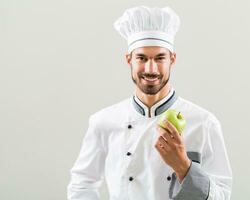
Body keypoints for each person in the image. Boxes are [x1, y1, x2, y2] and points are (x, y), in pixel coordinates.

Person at [67, 6, 232, 200]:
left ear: (173, 59)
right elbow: (81, 184)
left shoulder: (203, 122)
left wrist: (183, 167)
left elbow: (222, 195)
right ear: (129, 60)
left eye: (160, 58)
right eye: (142, 58)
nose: (151, 68)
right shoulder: (103, 121)